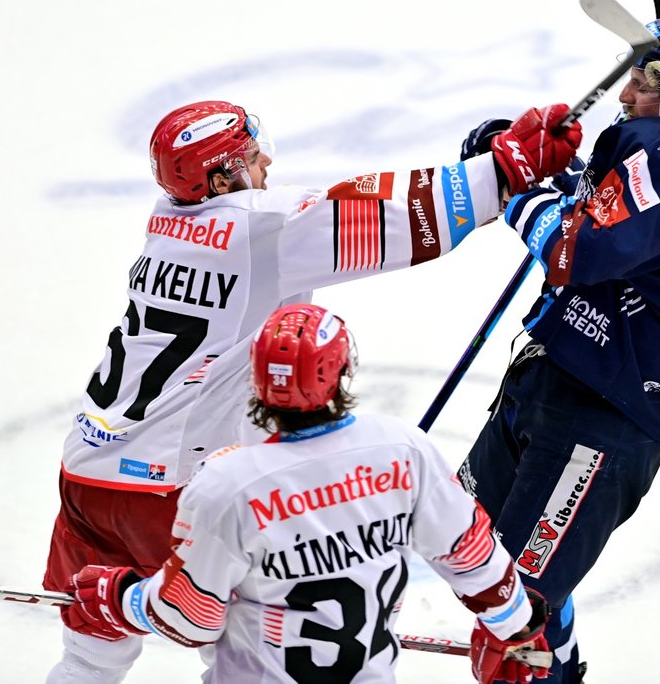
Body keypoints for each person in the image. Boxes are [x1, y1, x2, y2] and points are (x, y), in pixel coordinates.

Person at [43, 99, 581, 682]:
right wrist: (500, 172)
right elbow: (391, 215)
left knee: (90, 656)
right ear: (222, 177)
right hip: (171, 485)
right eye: (251, 156)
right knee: (239, 651)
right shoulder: (260, 228)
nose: (266, 161)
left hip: (87, 472)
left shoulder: (165, 223)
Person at [456, 15, 660, 682]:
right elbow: (592, 208)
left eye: (642, 82)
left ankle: (544, 660)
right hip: (555, 377)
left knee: (513, 630)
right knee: (465, 552)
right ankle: (553, 649)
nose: (623, 96)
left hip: (602, 419)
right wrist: (504, 154)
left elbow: (574, 249)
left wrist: (518, 189)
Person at [60, 303, 554, 683]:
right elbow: (473, 558)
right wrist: (515, 626)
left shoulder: (226, 483)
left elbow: (191, 619)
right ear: (342, 372)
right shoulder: (401, 449)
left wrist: (121, 596)